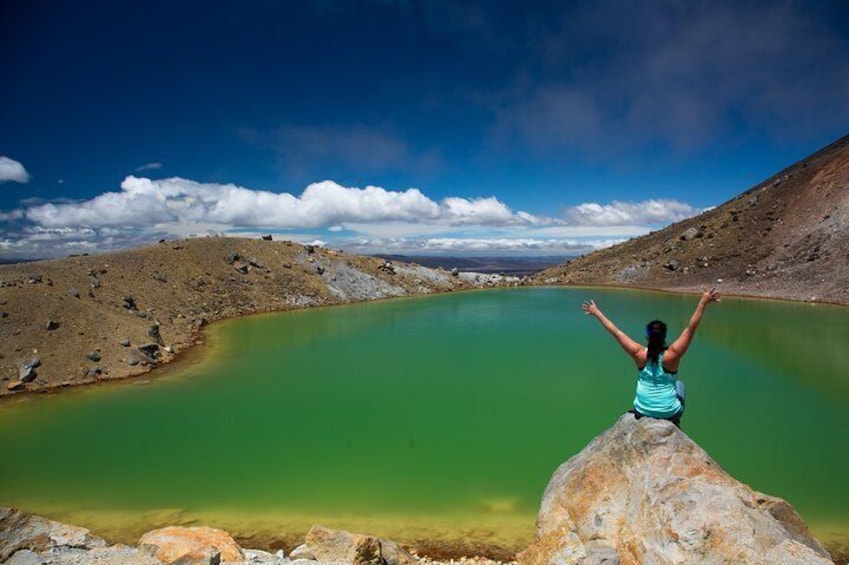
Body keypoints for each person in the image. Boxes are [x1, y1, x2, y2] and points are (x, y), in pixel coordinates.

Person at [581, 288, 721, 427]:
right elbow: (691, 328)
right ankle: (673, 421)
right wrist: (703, 303)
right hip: (669, 412)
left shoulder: (639, 354)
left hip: (642, 410)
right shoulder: (672, 355)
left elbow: (616, 332)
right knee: (679, 385)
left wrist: (596, 312)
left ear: (647, 336)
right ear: (664, 336)